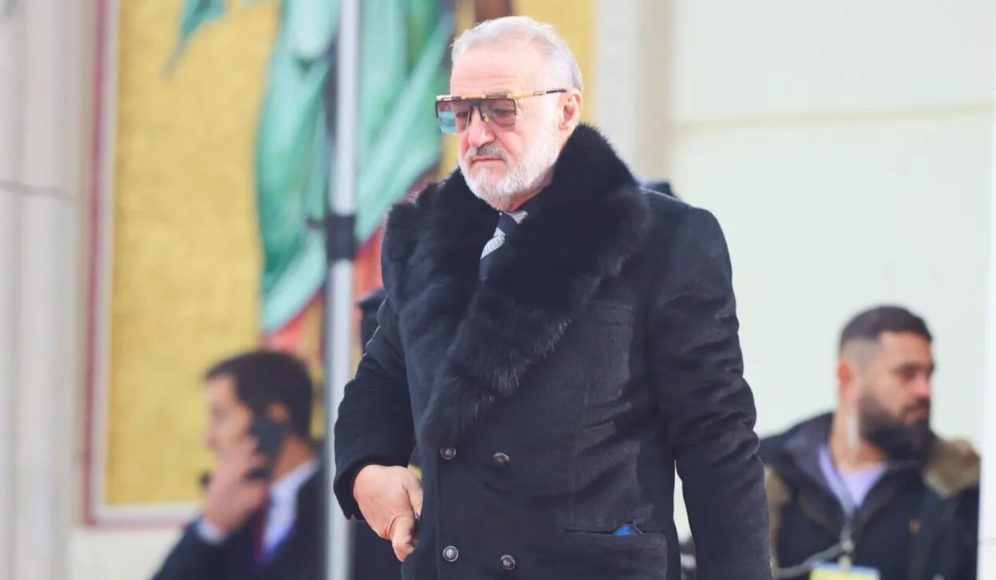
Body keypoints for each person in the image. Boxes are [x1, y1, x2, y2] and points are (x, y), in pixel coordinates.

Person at [333, 16, 771, 579]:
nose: (476, 134)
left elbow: (716, 437)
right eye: (460, 112)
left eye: (500, 109)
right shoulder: (428, 238)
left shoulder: (663, 238)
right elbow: (381, 380)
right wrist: (366, 468)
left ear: (566, 111)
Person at [760, 306, 980, 579]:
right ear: (848, 377)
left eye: (928, 375)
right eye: (907, 373)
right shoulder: (765, 477)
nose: (924, 391)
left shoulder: (958, 492)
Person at [153, 351, 323, 580]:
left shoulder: (344, 502)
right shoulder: (236, 509)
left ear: (273, 419)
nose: (209, 439)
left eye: (220, 416)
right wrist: (212, 527)